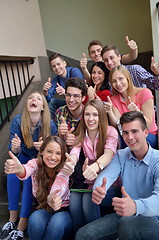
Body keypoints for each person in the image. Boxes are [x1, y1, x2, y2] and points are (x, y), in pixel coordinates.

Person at [75, 111, 159, 240]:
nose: (130, 137)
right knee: (83, 235)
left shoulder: (158, 160)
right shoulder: (121, 155)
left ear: (145, 133)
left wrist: (136, 206)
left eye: (134, 131)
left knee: (128, 223)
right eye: (125, 133)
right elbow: (106, 177)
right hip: (125, 214)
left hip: (153, 218)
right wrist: (99, 189)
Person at [0, 92, 57, 240]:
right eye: (31, 98)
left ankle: (22, 224)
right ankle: (12, 220)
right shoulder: (18, 121)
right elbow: (14, 151)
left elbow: (56, 149)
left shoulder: (49, 124)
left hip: (39, 161)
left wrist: (43, 148)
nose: (34, 100)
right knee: (13, 172)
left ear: (43, 106)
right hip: (24, 157)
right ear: (27, 104)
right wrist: (16, 147)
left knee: (28, 177)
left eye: (39, 98)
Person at [63, 100, 118, 234]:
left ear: (101, 116)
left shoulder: (110, 131)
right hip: (88, 183)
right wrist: (71, 163)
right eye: (87, 114)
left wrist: (96, 166)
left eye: (95, 115)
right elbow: (75, 151)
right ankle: (79, 235)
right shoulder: (82, 133)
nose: (91, 119)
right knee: (74, 198)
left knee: (89, 198)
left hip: (109, 185)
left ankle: (94, 235)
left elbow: (109, 154)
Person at [4, 135, 73, 240]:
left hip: (63, 211)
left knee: (56, 224)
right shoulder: (35, 163)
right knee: (35, 220)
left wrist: (52, 197)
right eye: (49, 151)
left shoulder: (64, 168)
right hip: (44, 209)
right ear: (42, 151)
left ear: (63, 156)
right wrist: (19, 169)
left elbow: (60, 184)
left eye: (58, 153)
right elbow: (27, 169)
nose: (53, 157)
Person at [105, 65, 158, 149]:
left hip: (148, 135)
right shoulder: (113, 99)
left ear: (128, 78)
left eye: (121, 79)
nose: (118, 84)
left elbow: (148, 125)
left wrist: (137, 113)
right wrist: (110, 112)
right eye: (114, 81)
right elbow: (118, 126)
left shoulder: (145, 93)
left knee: (129, 140)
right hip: (127, 136)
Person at [43, 53, 84, 119]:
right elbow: (49, 98)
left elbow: (81, 91)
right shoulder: (56, 79)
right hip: (68, 101)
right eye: (53, 66)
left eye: (58, 64)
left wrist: (65, 92)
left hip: (80, 101)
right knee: (52, 102)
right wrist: (45, 91)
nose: (56, 68)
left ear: (64, 63)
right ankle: (52, 125)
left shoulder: (74, 71)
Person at [54, 77, 88, 146]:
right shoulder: (60, 112)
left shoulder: (88, 114)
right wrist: (61, 135)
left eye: (76, 96)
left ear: (83, 98)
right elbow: (55, 143)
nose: (71, 100)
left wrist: (76, 140)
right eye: (68, 95)